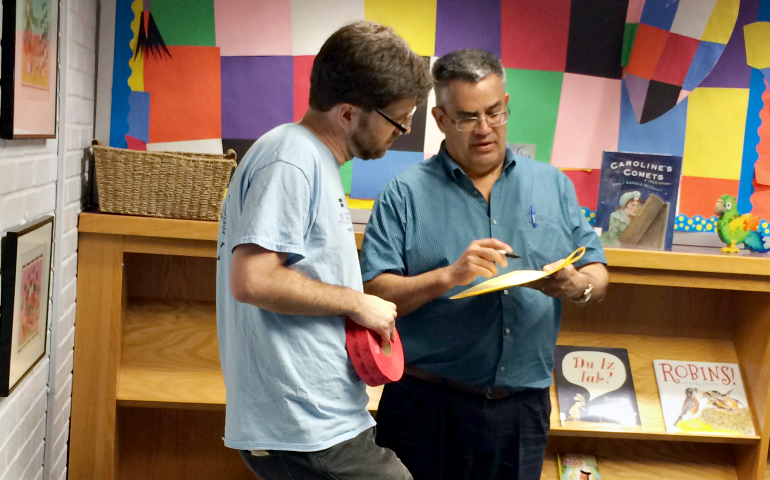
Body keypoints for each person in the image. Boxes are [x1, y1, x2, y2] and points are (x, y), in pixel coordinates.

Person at [359, 49, 609, 480]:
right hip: (425, 405)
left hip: (522, 410)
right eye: (467, 117)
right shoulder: (403, 194)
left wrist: (577, 286)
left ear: (506, 103)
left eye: (495, 112)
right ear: (439, 119)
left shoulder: (553, 185)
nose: (485, 129)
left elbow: (598, 272)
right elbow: (374, 293)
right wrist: (449, 276)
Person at [216, 21, 432, 480]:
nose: (405, 130)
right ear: (349, 113)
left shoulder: (311, 160)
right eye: (398, 120)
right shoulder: (291, 159)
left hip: (317, 422)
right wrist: (358, 302)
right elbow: (253, 279)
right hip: (304, 428)